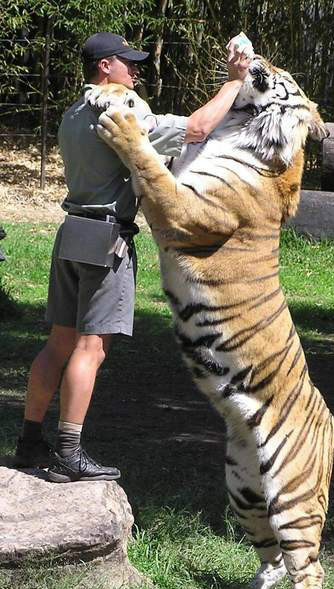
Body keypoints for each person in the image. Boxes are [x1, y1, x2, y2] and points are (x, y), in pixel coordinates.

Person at [13, 32, 252, 482]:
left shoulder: (73, 114)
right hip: (107, 239)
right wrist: (234, 82)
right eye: (128, 62)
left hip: (71, 233)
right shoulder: (120, 112)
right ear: (105, 66)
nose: (137, 70)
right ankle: (69, 449)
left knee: (58, 343)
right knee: (90, 348)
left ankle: (29, 442)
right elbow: (198, 128)